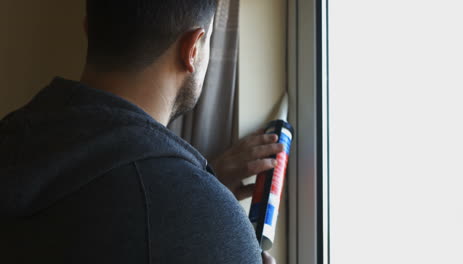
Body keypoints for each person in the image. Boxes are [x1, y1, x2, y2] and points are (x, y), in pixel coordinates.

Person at [0, 0, 282, 263]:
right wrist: (200, 199)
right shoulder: (214, 230)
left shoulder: (15, 140)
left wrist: (198, 185)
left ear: (88, 29)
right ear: (192, 49)